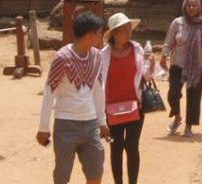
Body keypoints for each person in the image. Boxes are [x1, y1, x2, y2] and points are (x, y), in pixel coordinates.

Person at [37, 11, 110, 184]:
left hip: (90, 124)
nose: (101, 37)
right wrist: (43, 127)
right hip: (66, 125)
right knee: (62, 176)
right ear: (90, 34)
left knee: (96, 172)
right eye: (99, 33)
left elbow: (98, 90)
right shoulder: (62, 57)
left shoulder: (97, 56)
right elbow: (49, 92)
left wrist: (102, 121)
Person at [101, 13, 147, 184]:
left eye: (129, 29)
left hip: (136, 106)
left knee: (132, 146)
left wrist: (151, 64)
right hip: (112, 109)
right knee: (116, 147)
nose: (128, 33)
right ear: (114, 33)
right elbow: (99, 82)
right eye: (124, 30)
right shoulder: (103, 55)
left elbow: (147, 76)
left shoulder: (138, 49)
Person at [161, 0, 202, 137]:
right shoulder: (177, 23)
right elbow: (169, 41)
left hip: (196, 67)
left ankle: (189, 126)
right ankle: (177, 117)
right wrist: (164, 55)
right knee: (173, 94)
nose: (191, 8)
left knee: (194, 97)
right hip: (177, 64)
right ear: (184, 7)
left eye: (194, 5)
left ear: (198, 7)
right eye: (189, 5)